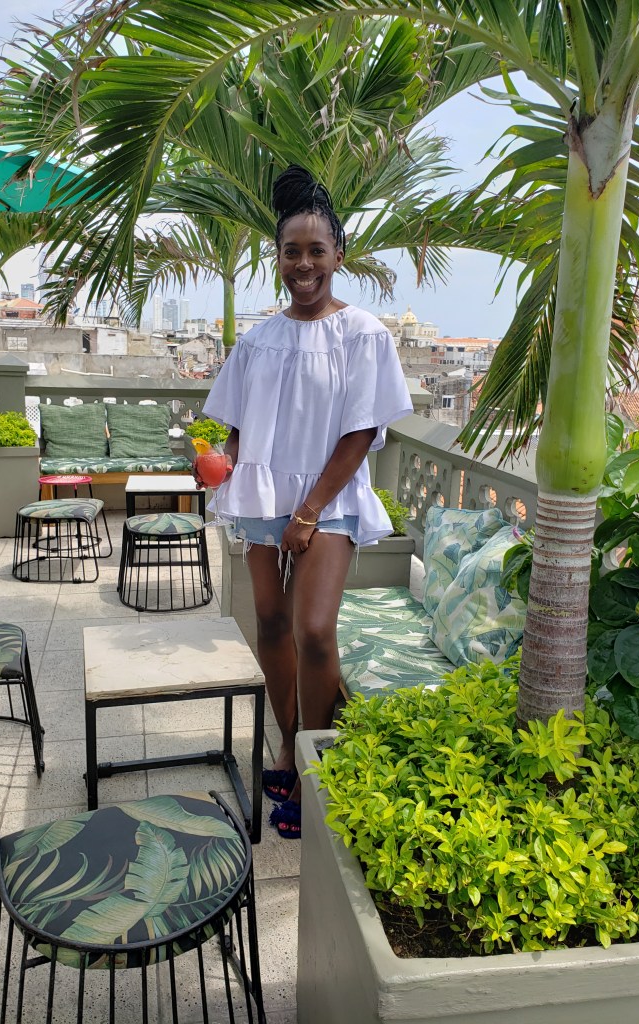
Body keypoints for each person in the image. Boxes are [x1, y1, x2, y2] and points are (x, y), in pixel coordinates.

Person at [196, 164, 413, 838]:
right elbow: (236, 423)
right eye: (292, 251)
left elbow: (361, 433)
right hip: (263, 493)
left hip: (329, 498)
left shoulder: (364, 335)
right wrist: (224, 462)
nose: (304, 264)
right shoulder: (258, 340)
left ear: (338, 255)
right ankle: (289, 744)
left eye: (317, 250)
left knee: (313, 629)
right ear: (278, 257)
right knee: (269, 621)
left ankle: (314, 765)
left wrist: (309, 513)